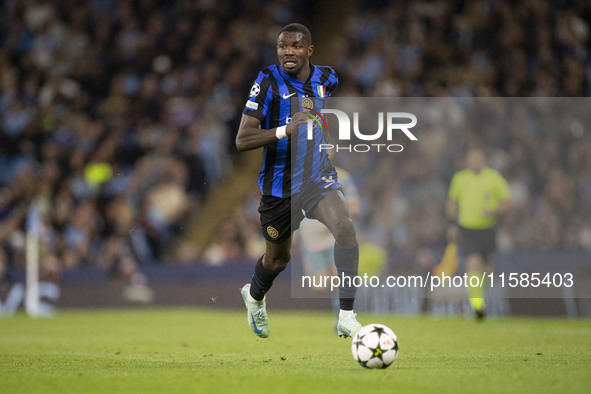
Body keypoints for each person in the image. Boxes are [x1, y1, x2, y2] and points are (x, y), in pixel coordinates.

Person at [235, 23, 362, 338]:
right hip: (279, 187)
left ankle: (346, 315)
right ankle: (254, 297)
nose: (287, 52)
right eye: (282, 46)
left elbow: (318, 111)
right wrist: (284, 130)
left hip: (318, 179)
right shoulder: (266, 82)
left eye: (295, 46)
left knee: (345, 229)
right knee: (278, 261)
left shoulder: (327, 78)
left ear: (309, 50)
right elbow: (242, 138)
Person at [446, 146, 511, 320]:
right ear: (467, 160)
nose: (475, 161)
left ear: (485, 160)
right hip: (467, 228)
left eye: (478, 158)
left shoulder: (494, 178)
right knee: (473, 264)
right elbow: (452, 202)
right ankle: (477, 305)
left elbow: (507, 202)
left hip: (488, 229)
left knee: (486, 270)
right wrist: (452, 224)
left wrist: (494, 210)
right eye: (472, 158)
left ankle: (477, 297)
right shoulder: (460, 179)